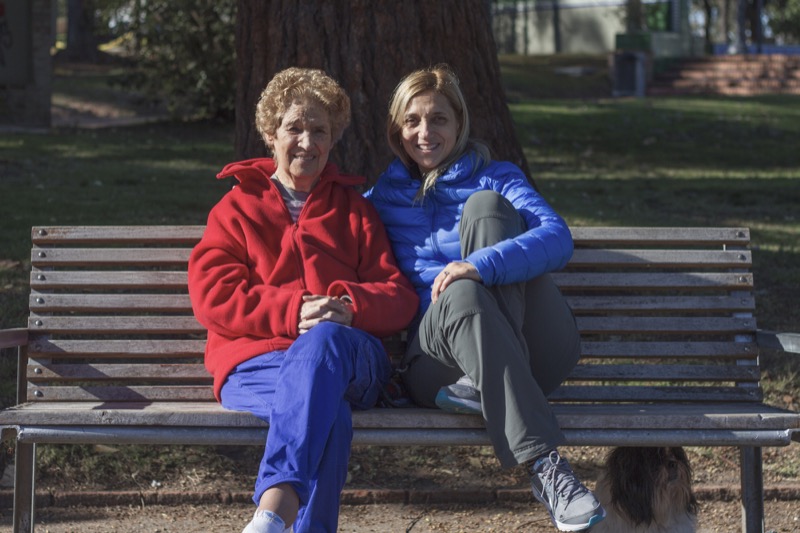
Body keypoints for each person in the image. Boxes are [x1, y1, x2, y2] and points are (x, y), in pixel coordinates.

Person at [365, 64, 606, 532]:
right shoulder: (380, 198)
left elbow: (558, 237)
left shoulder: (497, 177)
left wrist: (480, 264)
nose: (425, 132)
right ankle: (546, 468)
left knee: (488, 210)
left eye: (438, 119)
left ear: (459, 124)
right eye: (412, 121)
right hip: (438, 364)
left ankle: (487, 379)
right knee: (458, 297)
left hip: (535, 351)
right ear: (397, 130)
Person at [188, 67, 418, 533]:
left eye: (320, 131)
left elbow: (398, 297)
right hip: (256, 366)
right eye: (294, 128)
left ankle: (273, 511)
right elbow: (213, 296)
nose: (307, 143)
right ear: (271, 133)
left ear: (333, 140)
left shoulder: (355, 210)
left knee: (324, 344)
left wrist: (351, 307)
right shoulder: (234, 210)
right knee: (325, 411)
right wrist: (291, 312)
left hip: (350, 357)